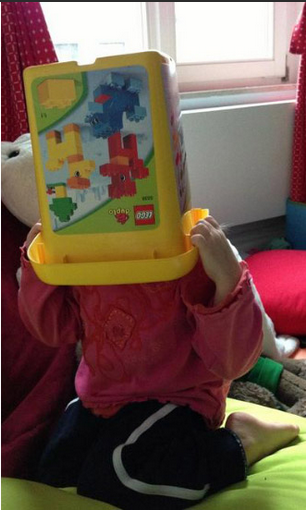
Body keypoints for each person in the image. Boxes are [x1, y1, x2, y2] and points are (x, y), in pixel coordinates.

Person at [18, 216, 299, 510]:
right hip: (103, 395)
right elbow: (53, 330)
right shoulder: (84, 247)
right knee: (55, 472)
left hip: (177, 399)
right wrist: (37, 269)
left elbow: (235, 361)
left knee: (120, 479)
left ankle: (242, 442)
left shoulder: (187, 251)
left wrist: (228, 283)